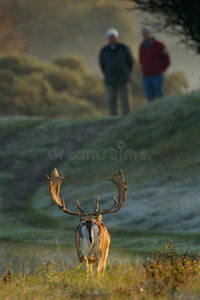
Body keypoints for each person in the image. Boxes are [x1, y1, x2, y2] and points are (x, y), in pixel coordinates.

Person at [99, 28, 134, 115]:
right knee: (111, 100)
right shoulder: (104, 51)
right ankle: (113, 116)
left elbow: (130, 62)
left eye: (113, 37)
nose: (112, 39)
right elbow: (102, 65)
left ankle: (127, 115)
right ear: (108, 38)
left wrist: (126, 72)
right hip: (110, 79)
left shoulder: (124, 48)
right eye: (110, 37)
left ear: (117, 37)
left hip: (123, 78)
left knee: (125, 100)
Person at [139, 27, 170, 102]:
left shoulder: (160, 45)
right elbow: (141, 60)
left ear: (151, 34)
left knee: (159, 98)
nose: (145, 36)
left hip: (157, 76)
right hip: (146, 77)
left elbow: (167, 61)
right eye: (144, 34)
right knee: (150, 99)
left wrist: (160, 69)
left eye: (147, 34)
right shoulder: (142, 46)